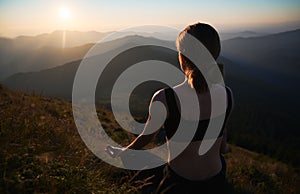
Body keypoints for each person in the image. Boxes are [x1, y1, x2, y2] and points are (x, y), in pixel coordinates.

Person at [106, 22, 234, 194]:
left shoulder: (165, 98)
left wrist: (122, 151)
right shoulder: (227, 95)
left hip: (179, 184)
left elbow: (146, 138)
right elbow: (223, 144)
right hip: (217, 183)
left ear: (182, 57)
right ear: (215, 55)